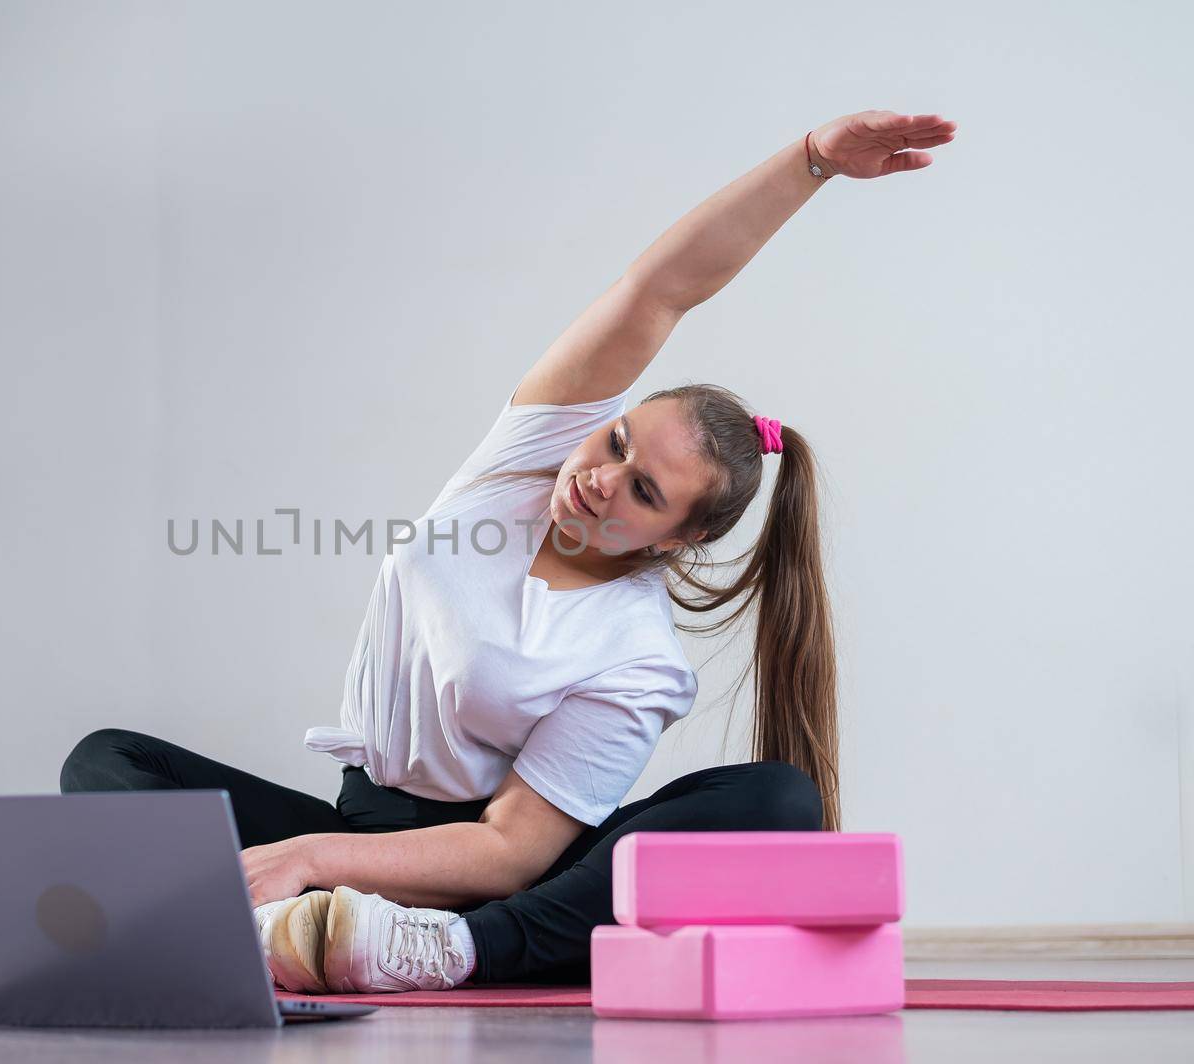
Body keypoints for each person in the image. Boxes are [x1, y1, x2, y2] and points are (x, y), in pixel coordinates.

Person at [61, 109, 957, 993]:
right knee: (110, 760)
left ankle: (447, 953)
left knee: (776, 803)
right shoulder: (524, 465)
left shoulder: (636, 653)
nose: (603, 478)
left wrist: (300, 858)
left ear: (680, 539)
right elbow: (660, 291)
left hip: (497, 880)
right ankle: (283, 935)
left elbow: (506, 848)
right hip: (364, 833)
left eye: (643, 493)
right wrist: (811, 160)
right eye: (615, 444)